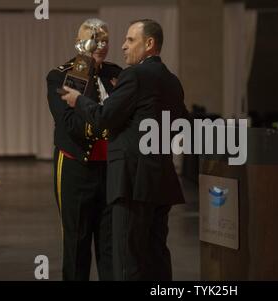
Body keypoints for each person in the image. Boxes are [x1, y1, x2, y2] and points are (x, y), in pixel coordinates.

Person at [61, 19, 188, 281]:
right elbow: (181, 126)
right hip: (161, 180)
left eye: (130, 40)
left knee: (126, 260)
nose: (122, 46)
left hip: (131, 182)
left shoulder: (134, 75)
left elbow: (104, 116)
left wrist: (78, 100)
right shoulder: (172, 81)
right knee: (156, 257)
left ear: (149, 44)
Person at [46, 18, 122, 281]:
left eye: (105, 40)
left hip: (111, 168)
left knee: (110, 243)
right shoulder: (62, 74)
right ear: (79, 43)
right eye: (94, 39)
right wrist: (85, 66)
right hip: (75, 166)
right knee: (77, 243)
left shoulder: (116, 73)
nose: (100, 45)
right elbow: (68, 123)